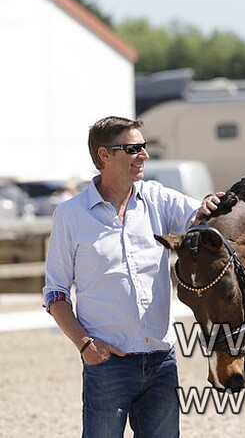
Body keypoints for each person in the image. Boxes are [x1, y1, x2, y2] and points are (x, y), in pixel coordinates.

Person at [42, 116, 223, 438]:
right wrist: (85, 345)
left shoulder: (158, 199)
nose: (144, 155)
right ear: (104, 155)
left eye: (144, 147)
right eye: (133, 148)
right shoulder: (71, 215)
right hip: (107, 362)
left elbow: (205, 217)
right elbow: (55, 293)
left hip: (161, 359)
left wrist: (213, 204)